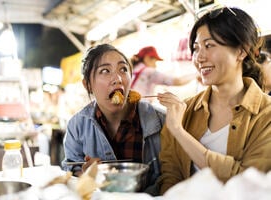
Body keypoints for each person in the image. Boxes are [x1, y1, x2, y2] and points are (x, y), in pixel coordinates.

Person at [157, 6, 271, 194]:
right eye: (195, 48)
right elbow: (170, 175)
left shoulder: (266, 115)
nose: (199, 57)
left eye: (209, 46)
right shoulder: (185, 110)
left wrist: (179, 132)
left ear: (241, 51)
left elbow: (247, 182)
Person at [61, 43, 165, 195]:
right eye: (105, 71)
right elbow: (71, 171)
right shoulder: (77, 126)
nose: (117, 79)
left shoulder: (162, 120)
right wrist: (86, 174)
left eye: (123, 69)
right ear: (88, 85)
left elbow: (173, 176)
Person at [130, 46, 196, 97]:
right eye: (155, 61)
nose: (155, 66)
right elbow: (179, 81)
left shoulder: (134, 70)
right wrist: (197, 74)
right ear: (147, 58)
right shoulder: (148, 72)